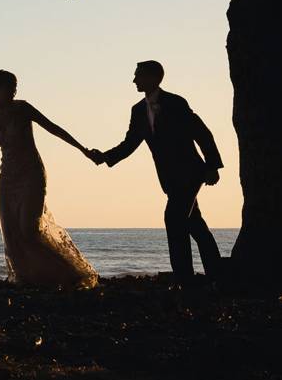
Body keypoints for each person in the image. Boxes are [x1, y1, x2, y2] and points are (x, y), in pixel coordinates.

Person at [87, 60, 223, 286]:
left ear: (153, 78)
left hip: (191, 173)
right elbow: (130, 143)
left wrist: (212, 166)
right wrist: (104, 157)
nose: (133, 80)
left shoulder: (176, 103)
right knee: (195, 225)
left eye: (137, 76)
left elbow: (201, 132)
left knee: (174, 219)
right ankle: (218, 274)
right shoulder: (138, 110)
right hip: (169, 179)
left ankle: (185, 281)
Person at [0, 70, 98, 287]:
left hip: (31, 174)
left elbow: (53, 128)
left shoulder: (23, 109)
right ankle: (27, 278)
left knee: (29, 230)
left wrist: (82, 149)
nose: (13, 90)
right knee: (12, 233)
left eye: (15, 86)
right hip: (7, 179)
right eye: (8, 86)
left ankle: (69, 275)